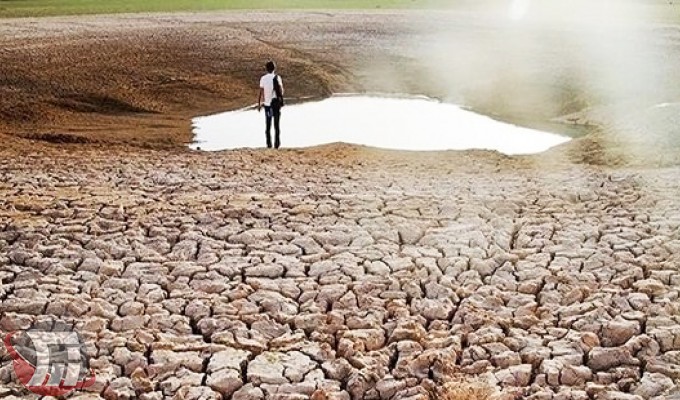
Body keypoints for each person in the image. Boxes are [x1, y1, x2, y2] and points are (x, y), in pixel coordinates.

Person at [257, 61, 284, 149]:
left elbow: (261, 92)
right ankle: (277, 144)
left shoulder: (263, 78)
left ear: (266, 68)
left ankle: (269, 144)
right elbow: (281, 91)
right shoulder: (277, 77)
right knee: (277, 125)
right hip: (276, 104)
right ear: (274, 68)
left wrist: (259, 103)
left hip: (268, 105)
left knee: (268, 125)